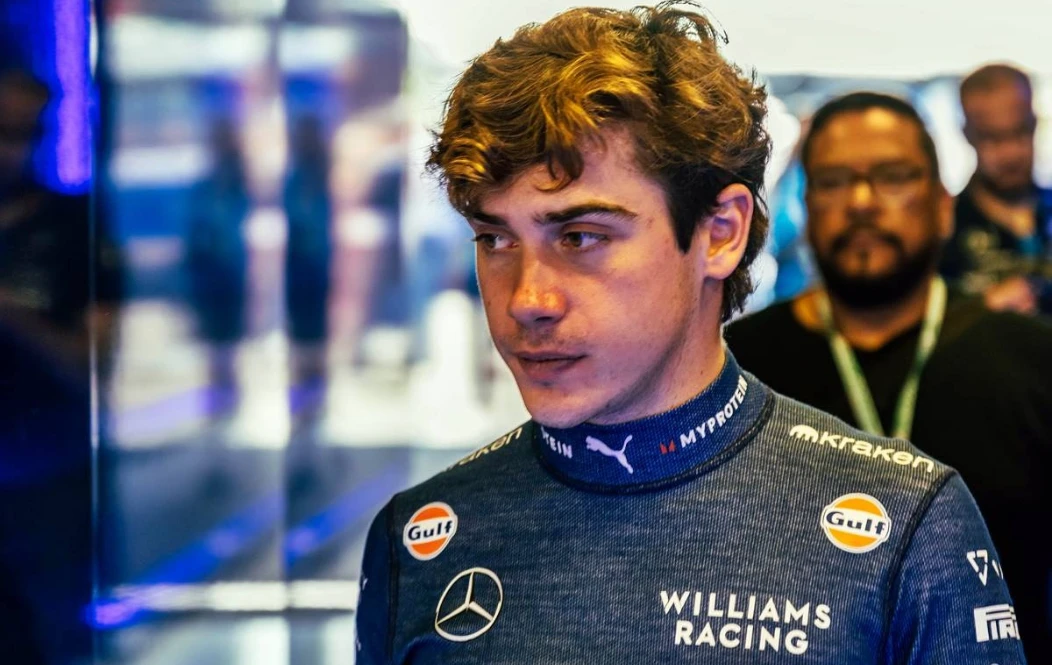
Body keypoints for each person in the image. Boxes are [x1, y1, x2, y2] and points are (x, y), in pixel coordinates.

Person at [356, 6, 1025, 663]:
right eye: (495, 238)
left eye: (580, 237)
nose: (528, 300)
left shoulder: (908, 526)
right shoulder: (420, 540)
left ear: (721, 234)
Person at [726, 91, 1051, 663]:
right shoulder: (734, 370)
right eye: (832, 181)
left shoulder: (1031, 360)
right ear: (806, 205)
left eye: (893, 177)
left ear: (944, 207)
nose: (861, 202)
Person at [940, 64, 1052, 316]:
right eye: (992, 138)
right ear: (967, 135)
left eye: (1020, 132)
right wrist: (978, 310)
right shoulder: (944, 229)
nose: (1010, 153)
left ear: (1035, 124)